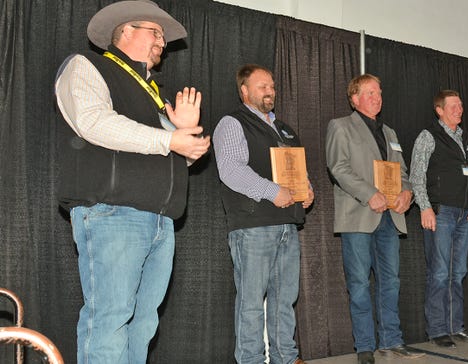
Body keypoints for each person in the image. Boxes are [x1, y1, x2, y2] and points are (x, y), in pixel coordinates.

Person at [54, 1, 210, 363]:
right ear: (125, 30)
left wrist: (186, 134)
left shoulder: (154, 92)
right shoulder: (87, 66)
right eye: (155, 32)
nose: (162, 42)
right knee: (110, 319)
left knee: (142, 324)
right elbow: (93, 122)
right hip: (112, 214)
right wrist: (171, 138)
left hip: (160, 221)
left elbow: (176, 154)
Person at [213, 64, 313, 364]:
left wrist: (307, 189)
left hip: (287, 225)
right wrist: (273, 191)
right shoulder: (232, 123)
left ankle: (285, 357)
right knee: (252, 302)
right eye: (262, 86)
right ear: (244, 91)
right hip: (253, 225)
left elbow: (297, 170)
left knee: (285, 300)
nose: (270, 90)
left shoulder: (284, 128)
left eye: (272, 85)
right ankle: (251, 360)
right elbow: (231, 171)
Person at [325, 74, 424, 364]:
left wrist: (408, 194)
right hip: (359, 215)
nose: (377, 97)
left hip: (391, 216)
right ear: (354, 99)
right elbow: (338, 167)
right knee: (358, 283)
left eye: (379, 92)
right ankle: (365, 346)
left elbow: (402, 172)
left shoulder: (390, 133)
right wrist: (369, 194)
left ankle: (392, 340)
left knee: (391, 281)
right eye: (369, 93)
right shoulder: (340, 126)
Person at [408, 90, 468, 348]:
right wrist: (425, 208)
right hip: (441, 212)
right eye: (453, 105)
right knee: (439, 272)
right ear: (439, 110)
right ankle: (437, 330)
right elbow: (416, 174)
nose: (459, 109)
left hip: (462, 213)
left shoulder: (464, 138)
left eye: (461, 105)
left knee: (458, 272)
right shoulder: (429, 136)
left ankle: (455, 326)